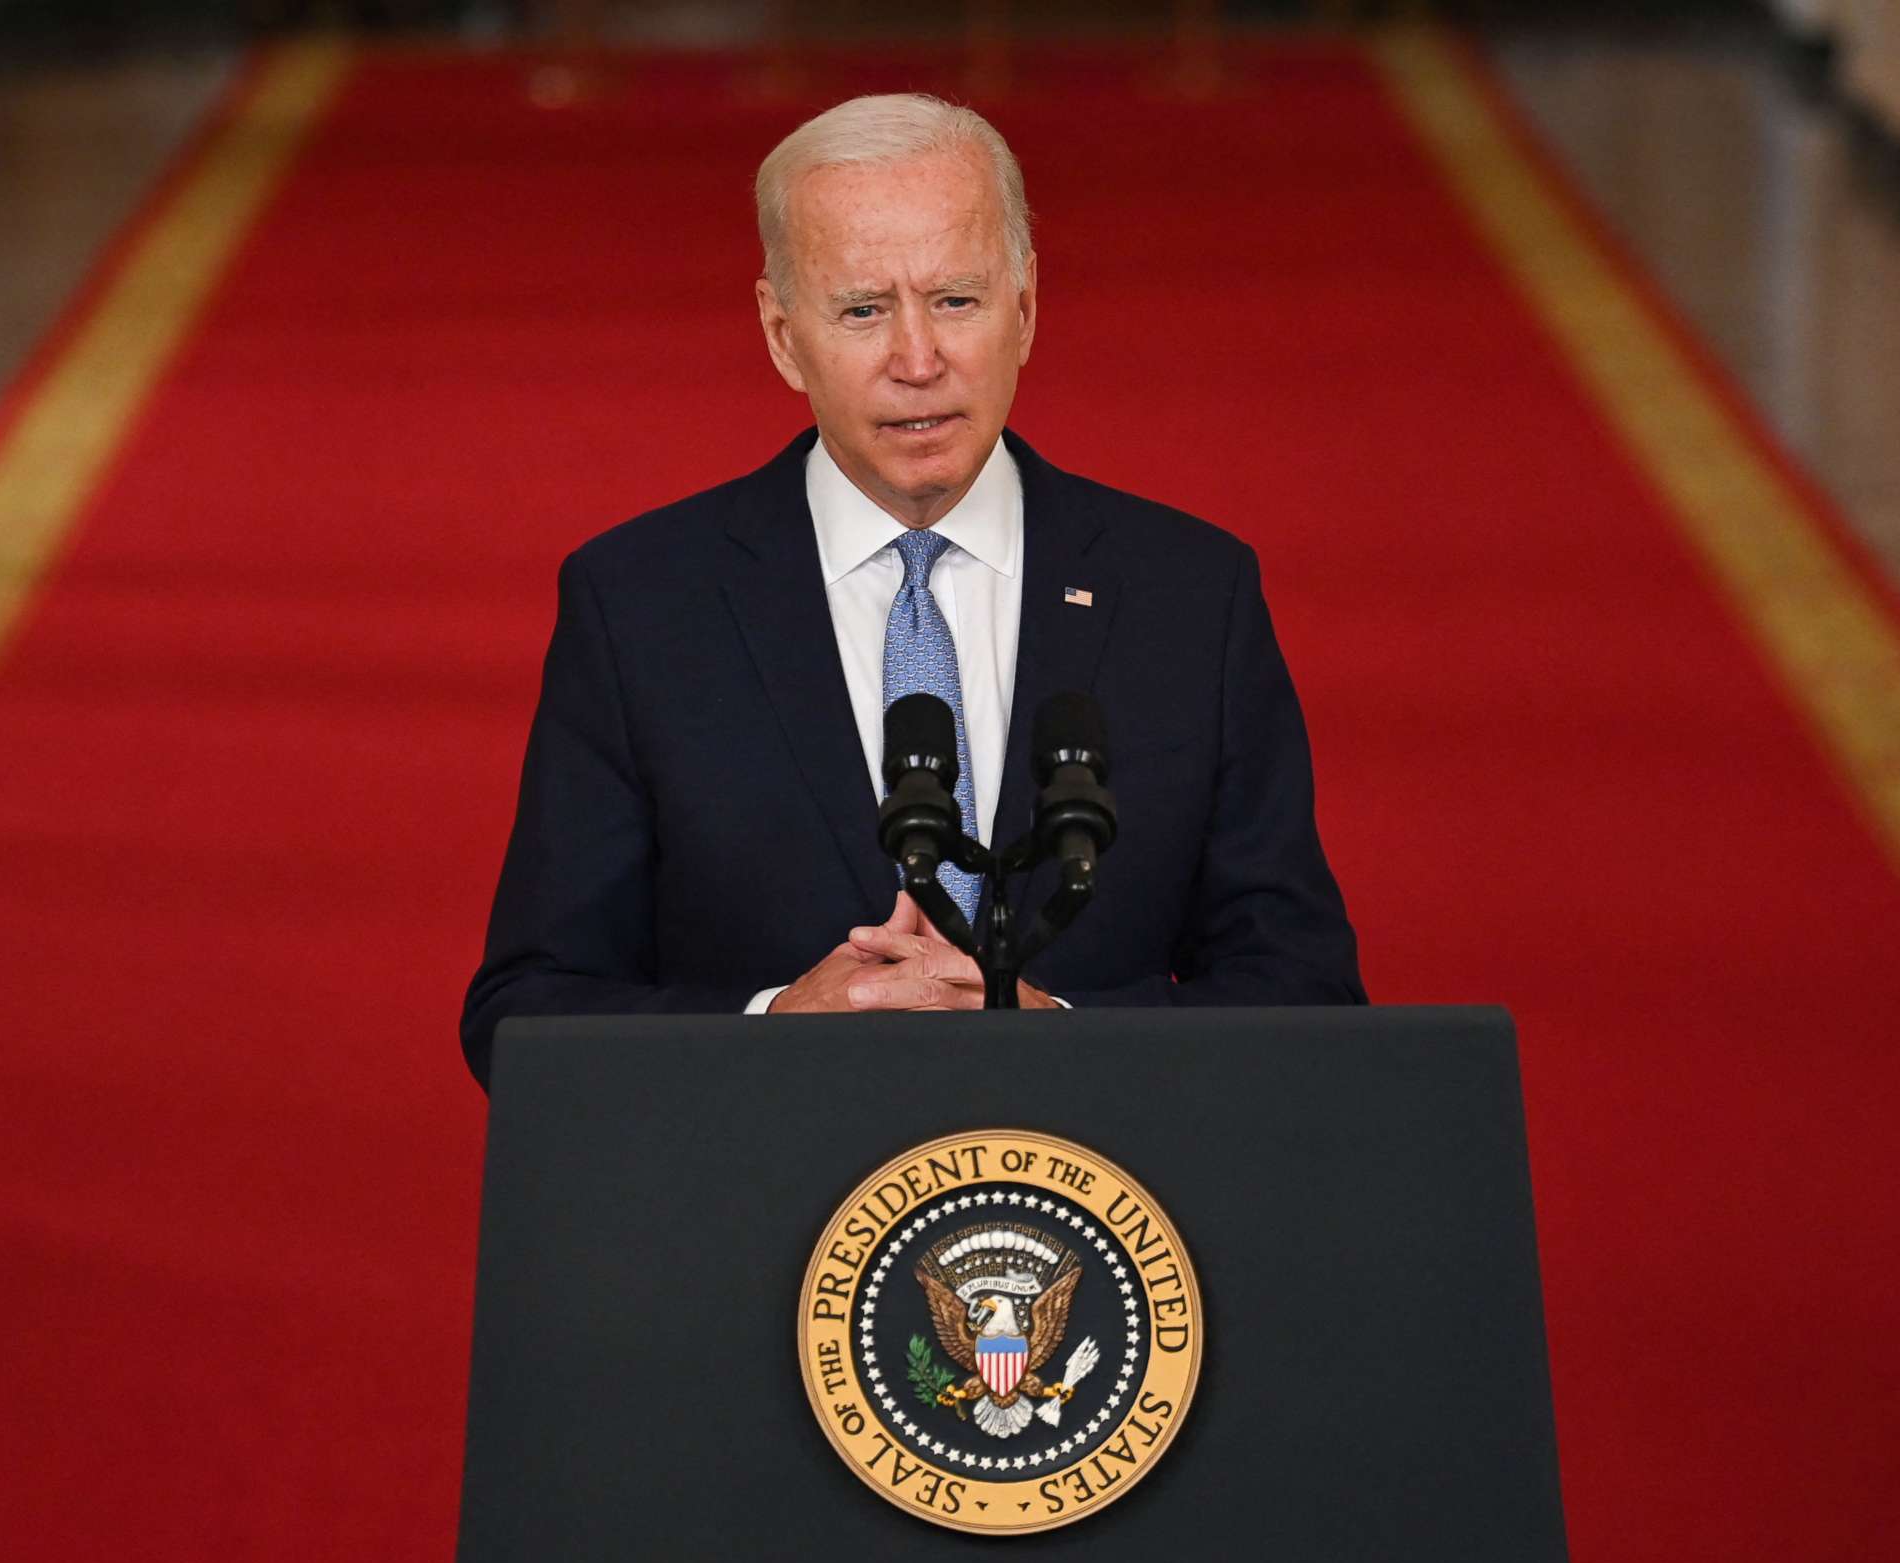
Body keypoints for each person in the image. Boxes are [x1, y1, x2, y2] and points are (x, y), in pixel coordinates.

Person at [461, 93, 1361, 1087]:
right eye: (861, 310)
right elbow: (524, 1014)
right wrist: (768, 1025)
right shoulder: (638, 604)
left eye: (956, 301)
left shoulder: (1192, 593)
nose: (918, 361)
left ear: (1026, 306)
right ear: (781, 333)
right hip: (766, 1215)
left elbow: (1307, 993)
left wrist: (1055, 1024)